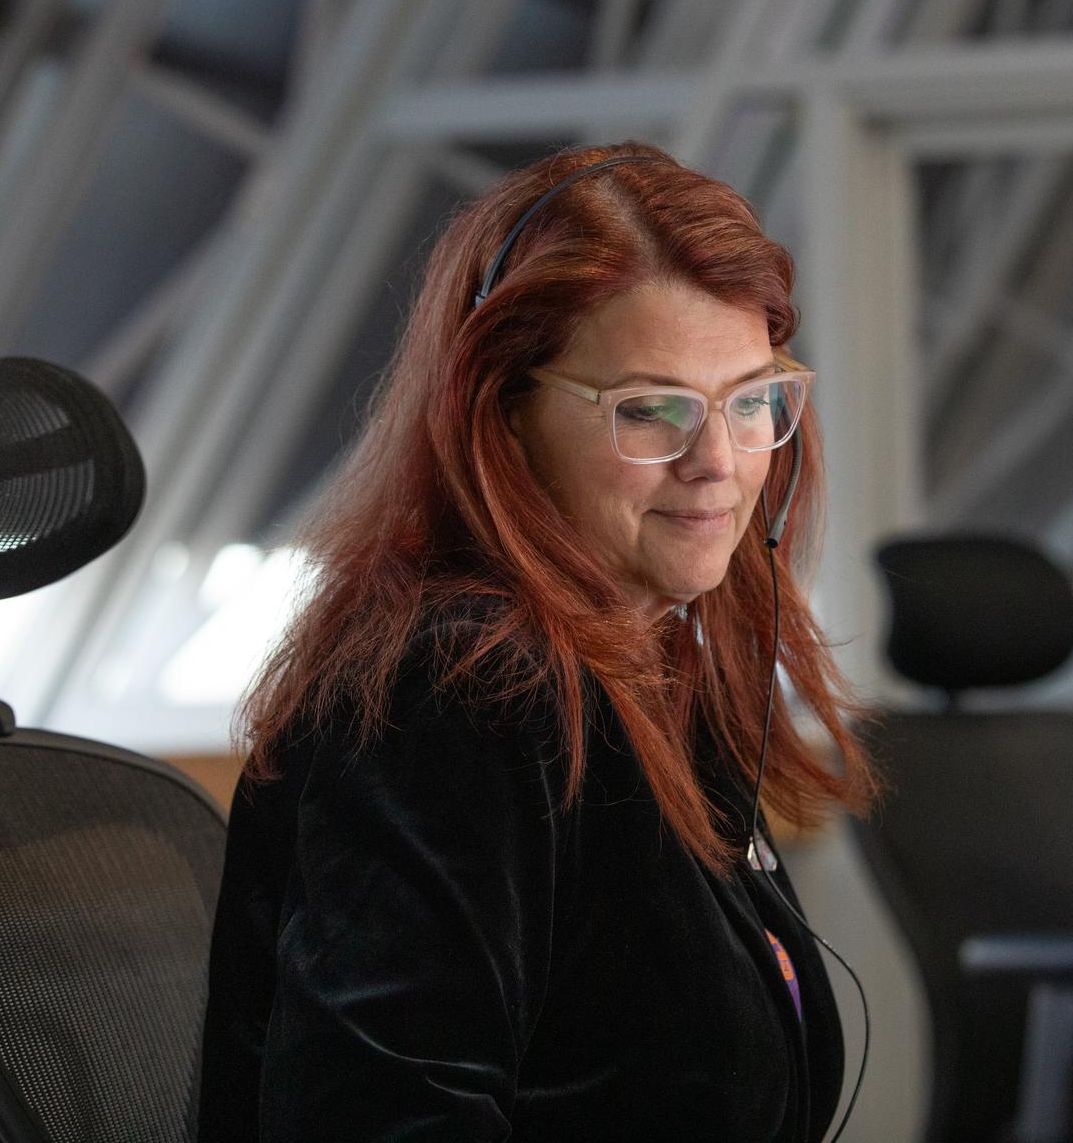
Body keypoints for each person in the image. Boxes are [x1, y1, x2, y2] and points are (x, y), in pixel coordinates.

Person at [197, 145, 874, 1142]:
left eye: (749, 400)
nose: (721, 463)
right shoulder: (461, 691)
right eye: (651, 409)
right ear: (501, 420)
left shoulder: (652, 673)